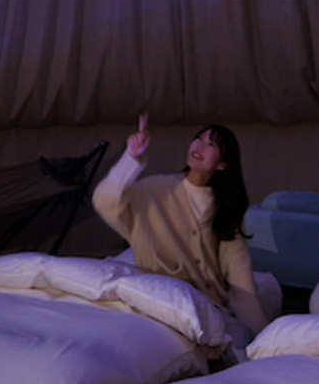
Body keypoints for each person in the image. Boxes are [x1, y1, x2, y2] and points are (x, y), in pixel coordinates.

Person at [92, 114, 269, 346]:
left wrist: (261, 334)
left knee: (236, 343)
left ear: (222, 164)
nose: (199, 146)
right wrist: (130, 157)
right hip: (159, 297)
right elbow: (105, 201)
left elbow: (239, 274)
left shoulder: (225, 208)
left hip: (207, 305)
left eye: (211, 144)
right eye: (198, 138)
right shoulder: (157, 190)